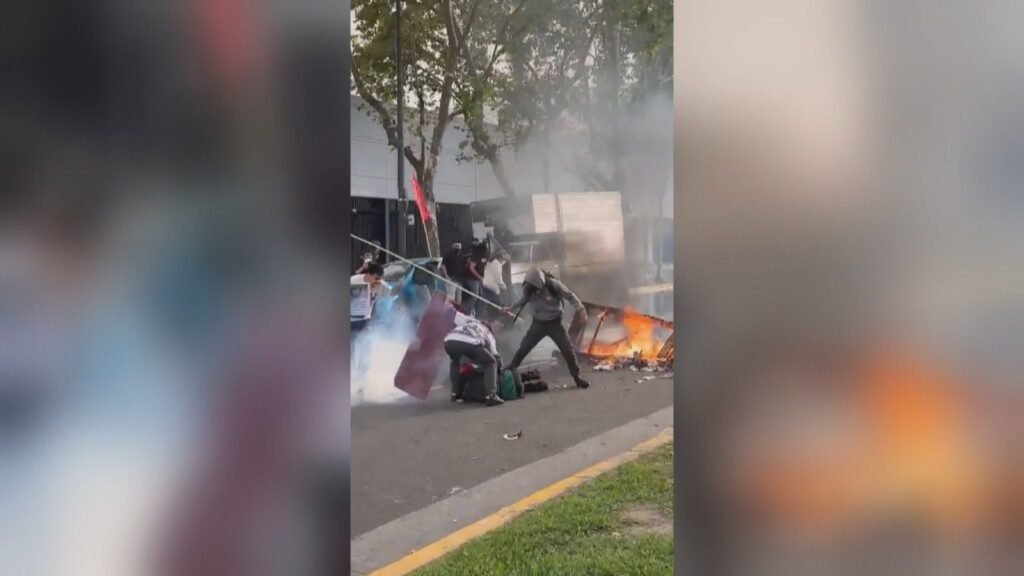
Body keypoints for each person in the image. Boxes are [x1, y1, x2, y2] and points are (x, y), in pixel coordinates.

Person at [504, 268, 591, 389]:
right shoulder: (528, 289)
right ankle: (508, 371)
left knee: (568, 350)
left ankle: (577, 377)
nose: (535, 293)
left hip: (555, 323)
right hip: (538, 323)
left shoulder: (553, 285)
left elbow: (570, 296)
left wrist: (580, 309)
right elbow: (523, 301)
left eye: (537, 290)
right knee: (524, 347)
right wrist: (510, 308)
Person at [443, 311, 503, 406]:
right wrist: (499, 370)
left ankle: (455, 394)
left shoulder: (471, 321)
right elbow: (495, 356)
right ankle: (491, 396)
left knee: (455, 362)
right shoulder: (488, 333)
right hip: (468, 341)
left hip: (449, 340)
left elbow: (455, 315)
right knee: (491, 362)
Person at [350, 261, 385, 335]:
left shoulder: (380, 285)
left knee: (365, 343)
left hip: (365, 320)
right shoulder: (353, 281)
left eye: (380, 279)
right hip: (351, 320)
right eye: (376, 278)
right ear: (369, 274)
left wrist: (398, 288)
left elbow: (392, 292)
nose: (378, 281)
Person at [461, 240, 487, 316]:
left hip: (478, 279)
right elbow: (471, 268)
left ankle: (477, 313)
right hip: (472, 279)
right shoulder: (476, 255)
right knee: (474, 295)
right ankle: (465, 311)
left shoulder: (484, 256)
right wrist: (479, 277)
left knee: (481, 296)